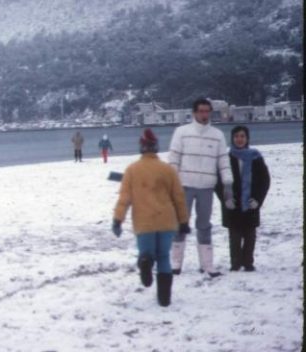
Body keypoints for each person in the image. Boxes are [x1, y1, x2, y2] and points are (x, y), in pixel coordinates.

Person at [112, 128, 190, 307]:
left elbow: (125, 198)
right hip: (167, 221)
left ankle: (145, 262)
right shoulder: (168, 170)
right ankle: (164, 299)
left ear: (141, 148)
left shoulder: (132, 170)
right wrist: (183, 221)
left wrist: (118, 220)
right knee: (163, 257)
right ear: (156, 148)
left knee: (146, 253)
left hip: (144, 221)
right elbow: (178, 197)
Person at [167, 98, 232, 278]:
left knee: (204, 225)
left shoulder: (217, 134)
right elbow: (174, 159)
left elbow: (223, 161)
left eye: (207, 111)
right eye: (201, 111)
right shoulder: (181, 132)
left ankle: (207, 265)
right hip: (184, 185)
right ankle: (176, 264)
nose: (204, 115)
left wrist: (228, 182)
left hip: (206, 188)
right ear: (194, 113)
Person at [213, 125, 270, 272]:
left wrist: (258, 199)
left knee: (250, 236)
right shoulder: (225, 159)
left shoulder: (256, 157)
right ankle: (236, 263)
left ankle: (248, 262)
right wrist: (226, 199)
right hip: (233, 203)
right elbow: (218, 182)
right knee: (235, 237)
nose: (239, 139)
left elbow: (264, 180)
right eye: (236, 136)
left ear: (247, 138)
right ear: (232, 139)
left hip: (250, 203)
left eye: (242, 136)